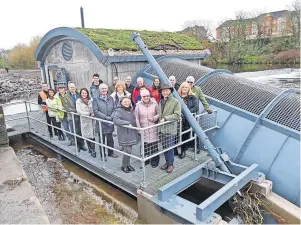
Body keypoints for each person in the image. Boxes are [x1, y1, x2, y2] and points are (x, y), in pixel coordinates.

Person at [159, 84, 181, 173]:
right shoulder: (161, 101)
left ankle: (171, 164)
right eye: (163, 91)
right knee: (164, 147)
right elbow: (160, 113)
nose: (165, 92)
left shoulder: (175, 101)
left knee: (170, 148)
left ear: (170, 91)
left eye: (166, 90)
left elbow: (177, 115)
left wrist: (165, 118)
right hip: (162, 129)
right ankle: (167, 162)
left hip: (170, 129)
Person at [135, 89, 160, 168]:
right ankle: (145, 160)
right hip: (144, 128)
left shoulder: (154, 104)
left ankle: (154, 161)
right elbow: (136, 118)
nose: (146, 97)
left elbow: (159, 113)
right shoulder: (138, 106)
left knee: (154, 145)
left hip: (153, 128)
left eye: (147, 96)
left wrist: (155, 118)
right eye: (144, 96)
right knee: (144, 146)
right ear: (141, 97)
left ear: (149, 96)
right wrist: (139, 129)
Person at [113, 96, 139, 173]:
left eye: (128, 101)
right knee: (127, 151)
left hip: (131, 133)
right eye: (125, 102)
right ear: (121, 103)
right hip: (124, 133)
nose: (127, 103)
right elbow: (116, 120)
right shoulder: (119, 111)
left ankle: (127, 164)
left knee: (129, 151)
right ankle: (124, 166)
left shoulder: (132, 109)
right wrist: (127, 123)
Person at [93, 83, 119, 159]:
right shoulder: (95, 99)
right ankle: (103, 155)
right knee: (102, 140)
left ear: (107, 89)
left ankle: (111, 153)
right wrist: (105, 117)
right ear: (99, 90)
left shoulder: (110, 98)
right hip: (101, 122)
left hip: (110, 122)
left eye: (105, 88)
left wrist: (111, 117)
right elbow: (95, 111)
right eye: (102, 89)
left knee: (110, 139)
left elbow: (115, 108)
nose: (104, 90)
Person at [177, 82, 199, 159]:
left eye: (186, 87)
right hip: (178, 119)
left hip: (187, 120)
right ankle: (176, 150)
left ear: (189, 89)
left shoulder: (192, 97)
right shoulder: (177, 97)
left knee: (184, 135)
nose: (184, 89)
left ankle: (183, 150)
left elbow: (196, 108)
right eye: (183, 87)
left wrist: (186, 111)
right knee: (177, 134)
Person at [64, 82, 87, 152]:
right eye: (71, 87)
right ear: (68, 88)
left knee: (80, 131)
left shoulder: (79, 94)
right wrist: (76, 110)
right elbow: (67, 107)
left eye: (73, 87)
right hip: (72, 117)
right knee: (74, 132)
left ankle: (82, 145)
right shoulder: (66, 96)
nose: (72, 88)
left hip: (80, 117)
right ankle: (77, 146)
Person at [76, 88, 96, 158]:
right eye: (82, 93)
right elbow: (79, 111)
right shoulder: (78, 101)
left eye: (85, 93)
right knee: (87, 135)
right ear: (80, 94)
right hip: (84, 120)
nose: (84, 94)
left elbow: (94, 108)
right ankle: (89, 148)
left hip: (92, 120)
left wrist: (93, 113)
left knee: (92, 135)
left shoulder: (91, 100)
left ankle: (93, 150)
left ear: (87, 93)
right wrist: (88, 113)